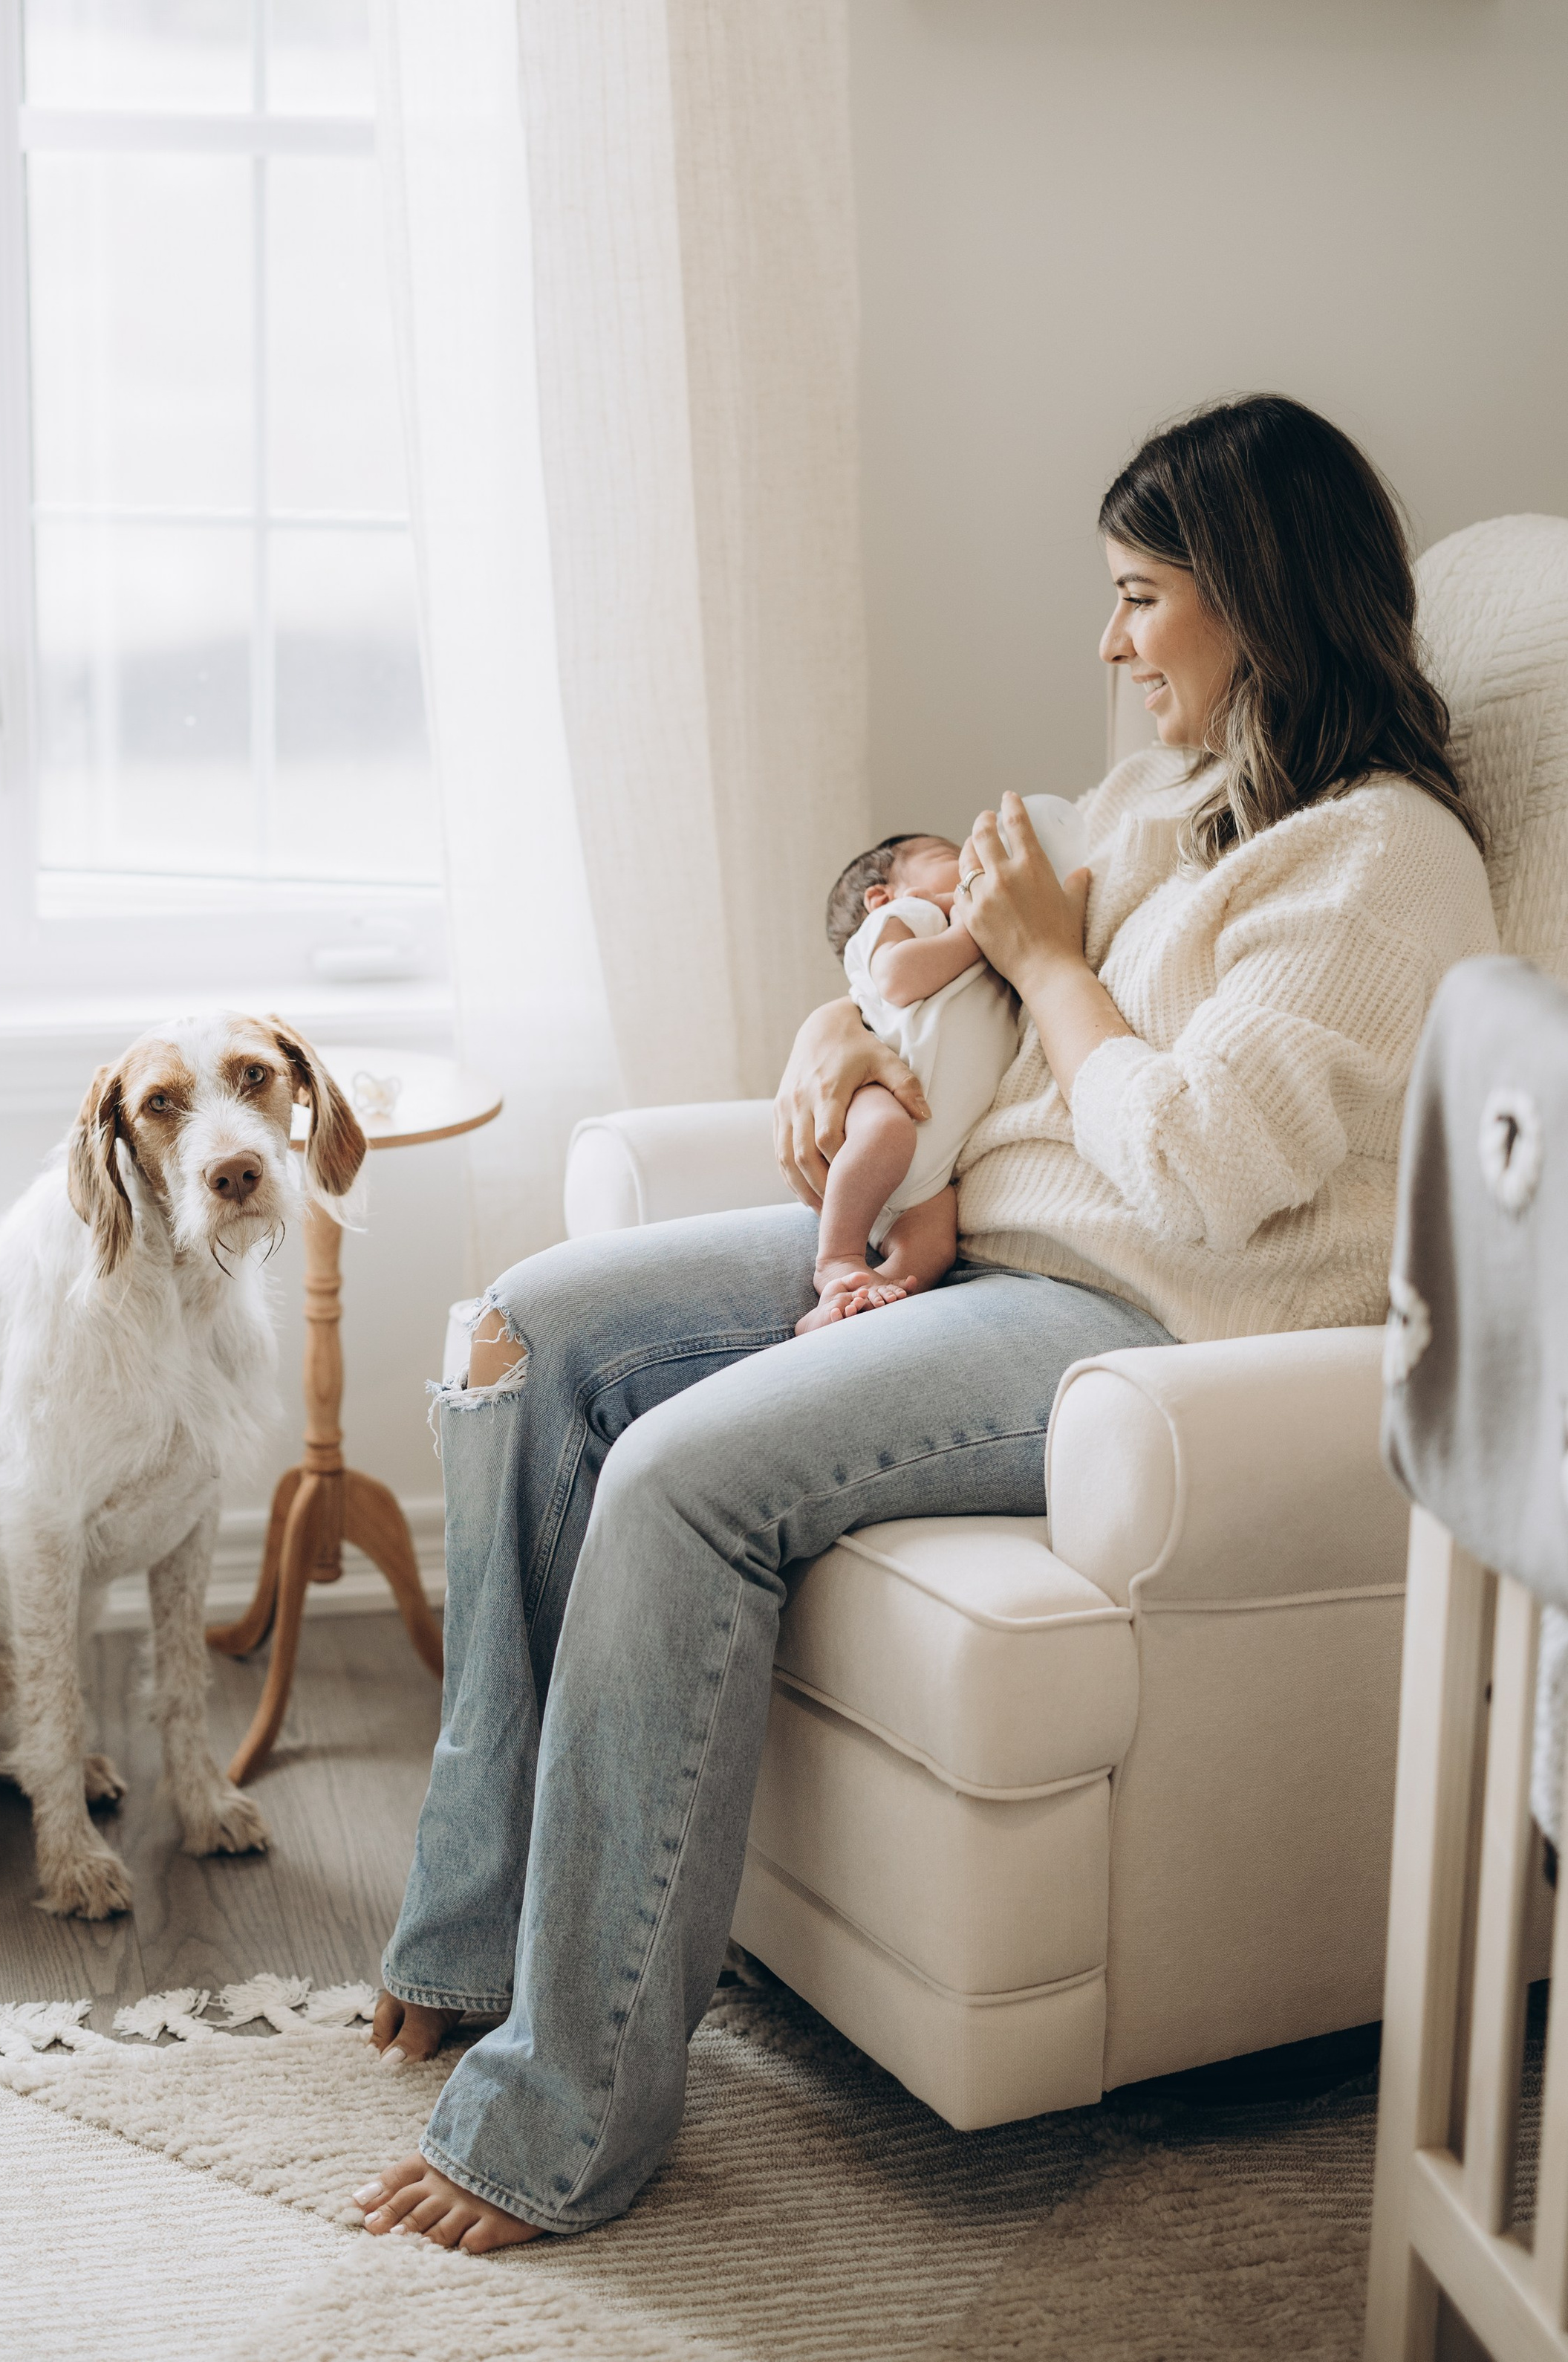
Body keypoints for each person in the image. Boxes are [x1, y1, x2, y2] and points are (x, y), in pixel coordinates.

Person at [351, 394, 1497, 2254]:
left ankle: (558, 2117)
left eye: (1139, 599)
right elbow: (932, 933)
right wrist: (841, 1030)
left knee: (677, 1475)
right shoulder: (1165, 806)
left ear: (1257, 601)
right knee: (524, 1333)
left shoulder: (1378, 868)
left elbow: (1200, 1164)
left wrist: (1051, 961)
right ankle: (478, 1930)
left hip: (1133, 1324)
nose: (1108, 645)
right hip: (984, 1247)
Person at [796, 830, 1017, 1333]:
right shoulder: (907, 919)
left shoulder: (971, 940)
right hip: (883, 1095)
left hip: (933, 1170)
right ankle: (838, 1259)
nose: (967, 861)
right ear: (883, 895)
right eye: (947, 856)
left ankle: (855, 1302)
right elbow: (897, 978)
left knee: (934, 1245)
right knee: (885, 1132)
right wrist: (971, 928)